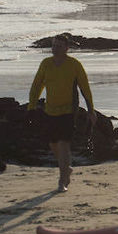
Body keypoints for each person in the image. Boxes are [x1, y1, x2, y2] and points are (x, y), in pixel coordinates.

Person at [27, 33, 97, 192]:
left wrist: (91, 110)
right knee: (53, 143)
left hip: (69, 110)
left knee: (63, 143)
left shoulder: (74, 65)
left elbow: (85, 89)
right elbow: (37, 86)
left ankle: (62, 180)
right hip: (50, 110)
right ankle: (66, 168)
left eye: (59, 46)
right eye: (53, 46)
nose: (55, 49)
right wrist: (31, 107)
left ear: (67, 48)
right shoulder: (46, 64)